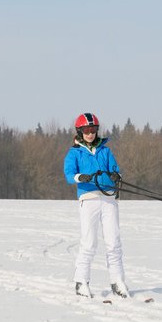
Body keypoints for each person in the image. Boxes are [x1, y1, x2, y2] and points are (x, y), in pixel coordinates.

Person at [63, 113, 130, 298]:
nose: (90, 134)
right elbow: (69, 174)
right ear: (80, 132)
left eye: (93, 130)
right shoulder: (74, 153)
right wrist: (80, 177)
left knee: (114, 242)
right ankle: (81, 281)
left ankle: (117, 281)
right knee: (89, 242)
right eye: (87, 130)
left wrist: (117, 176)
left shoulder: (105, 151)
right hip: (88, 198)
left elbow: (115, 169)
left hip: (108, 198)